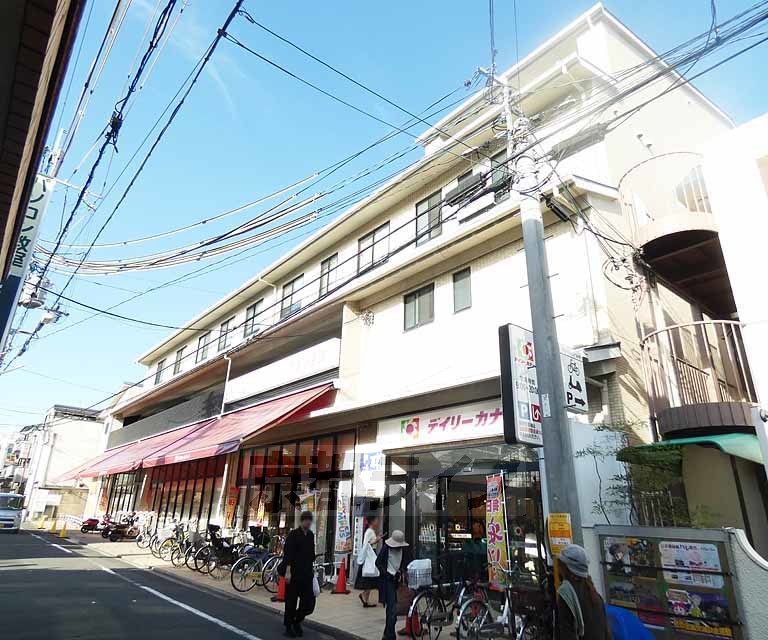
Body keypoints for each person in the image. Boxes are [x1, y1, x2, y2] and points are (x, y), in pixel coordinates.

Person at [556, 544, 611, 640]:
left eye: (559, 565)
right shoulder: (594, 593)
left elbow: (567, 634)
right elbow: (606, 632)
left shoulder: (566, 593)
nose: (558, 568)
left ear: (566, 567)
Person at [280, 511, 316, 638]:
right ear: (301, 521)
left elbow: (311, 554)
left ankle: (297, 620)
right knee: (291, 602)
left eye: (310, 520)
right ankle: (288, 627)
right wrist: (288, 571)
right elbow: (288, 554)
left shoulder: (310, 535)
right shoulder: (293, 535)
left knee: (308, 602)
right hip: (293, 574)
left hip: (307, 574)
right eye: (306, 520)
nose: (308, 522)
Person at [376, 529, 409, 640]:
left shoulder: (403, 550)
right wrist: (386, 574)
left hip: (396, 581)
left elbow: (404, 563)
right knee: (392, 610)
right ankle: (390, 635)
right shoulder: (386, 548)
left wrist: (401, 573)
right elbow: (378, 562)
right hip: (387, 581)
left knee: (391, 610)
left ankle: (387, 633)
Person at [355, 514, 383, 607]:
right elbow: (366, 544)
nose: (377, 522)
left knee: (369, 579)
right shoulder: (369, 531)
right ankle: (364, 597)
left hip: (370, 555)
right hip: (369, 556)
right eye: (376, 520)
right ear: (372, 521)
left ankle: (365, 599)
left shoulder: (370, 531)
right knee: (369, 578)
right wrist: (376, 540)